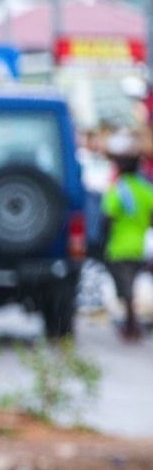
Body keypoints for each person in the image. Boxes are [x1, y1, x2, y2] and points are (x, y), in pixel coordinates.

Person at [100, 145, 149, 343]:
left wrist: (102, 241)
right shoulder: (145, 190)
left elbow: (107, 218)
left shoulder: (118, 190)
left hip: (119, 247)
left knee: (125, 290)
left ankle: (132, 326)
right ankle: (131, 324)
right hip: (140, 246)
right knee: (130, 286)